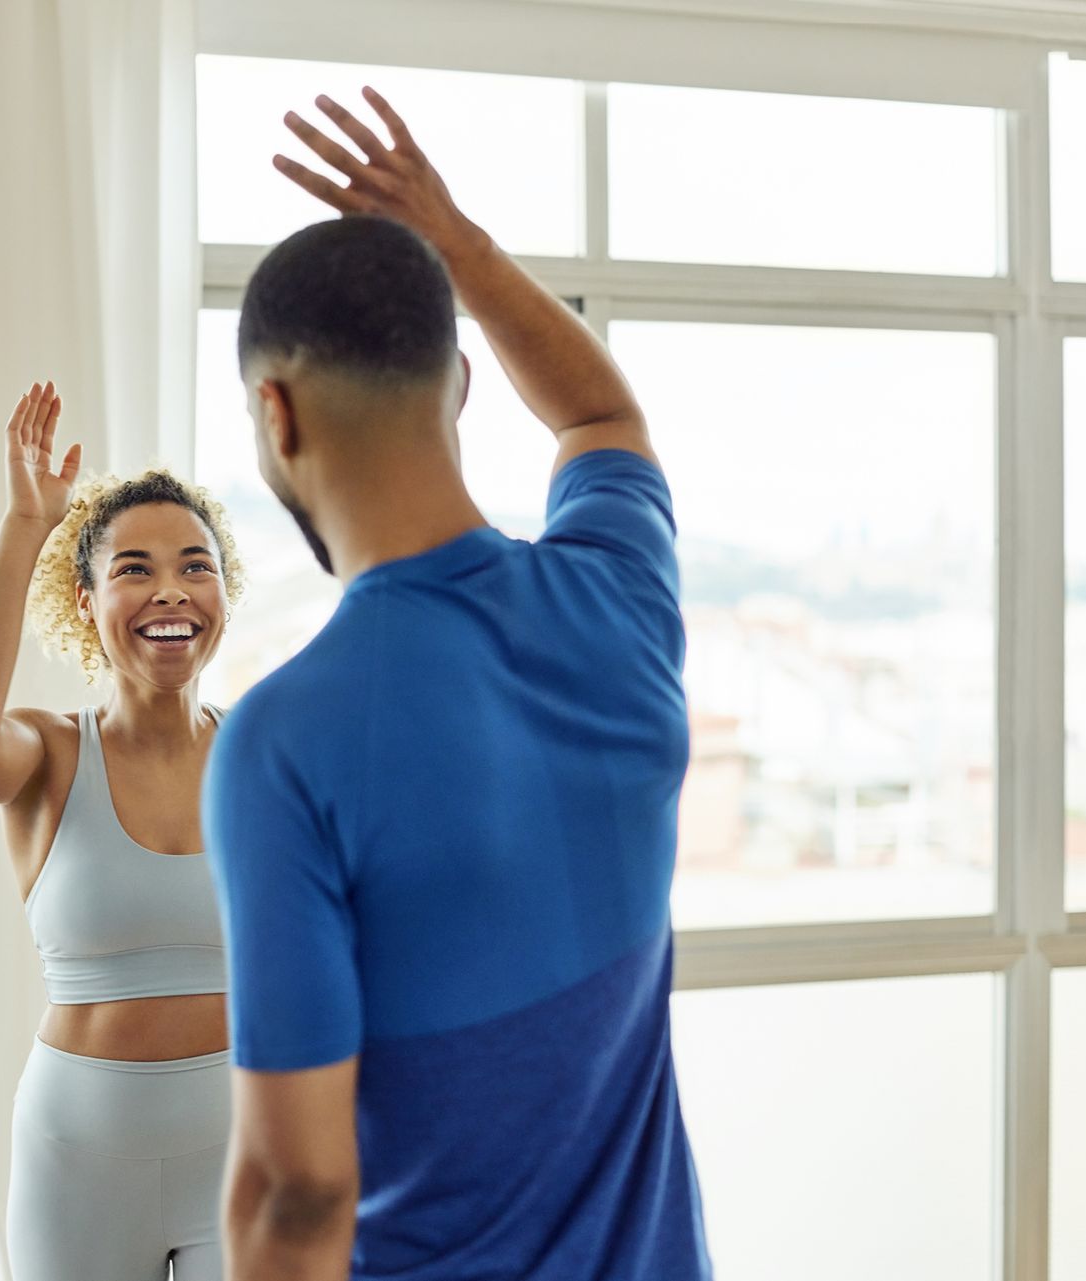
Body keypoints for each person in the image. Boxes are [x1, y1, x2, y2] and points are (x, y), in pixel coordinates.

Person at [204, 89, 712, 1280]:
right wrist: (460, 242)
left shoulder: (283, 746)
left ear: (274, 417)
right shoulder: (620, 599)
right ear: (465, 388)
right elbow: (599, 408)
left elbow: (299, 1191)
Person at [0, 382, 246, 1281]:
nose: (170, 591)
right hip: (80, 1159)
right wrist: (28, 525)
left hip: (244, 1145)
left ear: (224, 591)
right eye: (133, 568)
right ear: (85, 600)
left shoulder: (260, 750)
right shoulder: (50, 753)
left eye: (195, 564)